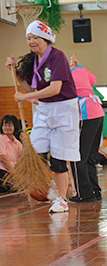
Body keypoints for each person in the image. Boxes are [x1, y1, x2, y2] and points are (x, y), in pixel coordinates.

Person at [6, 21, 80, 213]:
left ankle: (62, 199)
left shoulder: (58, 57)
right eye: (29, 38)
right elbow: (31, 89)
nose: (31, 41)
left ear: (46, 38)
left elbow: (55, 88)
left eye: (35, 37)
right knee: (36, 153)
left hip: (64, 110)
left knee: (58, 158)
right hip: (44, 110)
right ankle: (54, 186)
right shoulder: (34, 60)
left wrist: (26, 97)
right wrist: (15, 72)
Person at [69, 55, 104, 202]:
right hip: (98, 112)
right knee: (89, 156)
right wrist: (80, 66)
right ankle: (95, 191)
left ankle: (84, 193)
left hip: (86, 114)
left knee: (77, 157)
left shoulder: (65, 75)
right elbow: (93, 80)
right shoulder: (80, 70)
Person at [0, 115, 23, 193]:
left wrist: (25, 142)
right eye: (4, 125)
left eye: (9, 125)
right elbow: (3, 159)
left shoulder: (18, 143)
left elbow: (22, 159)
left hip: (13, 172)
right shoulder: (1, 139)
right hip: (2, 171)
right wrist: (15, 174)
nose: (6, 127)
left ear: (15, 126)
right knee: (15, 187)